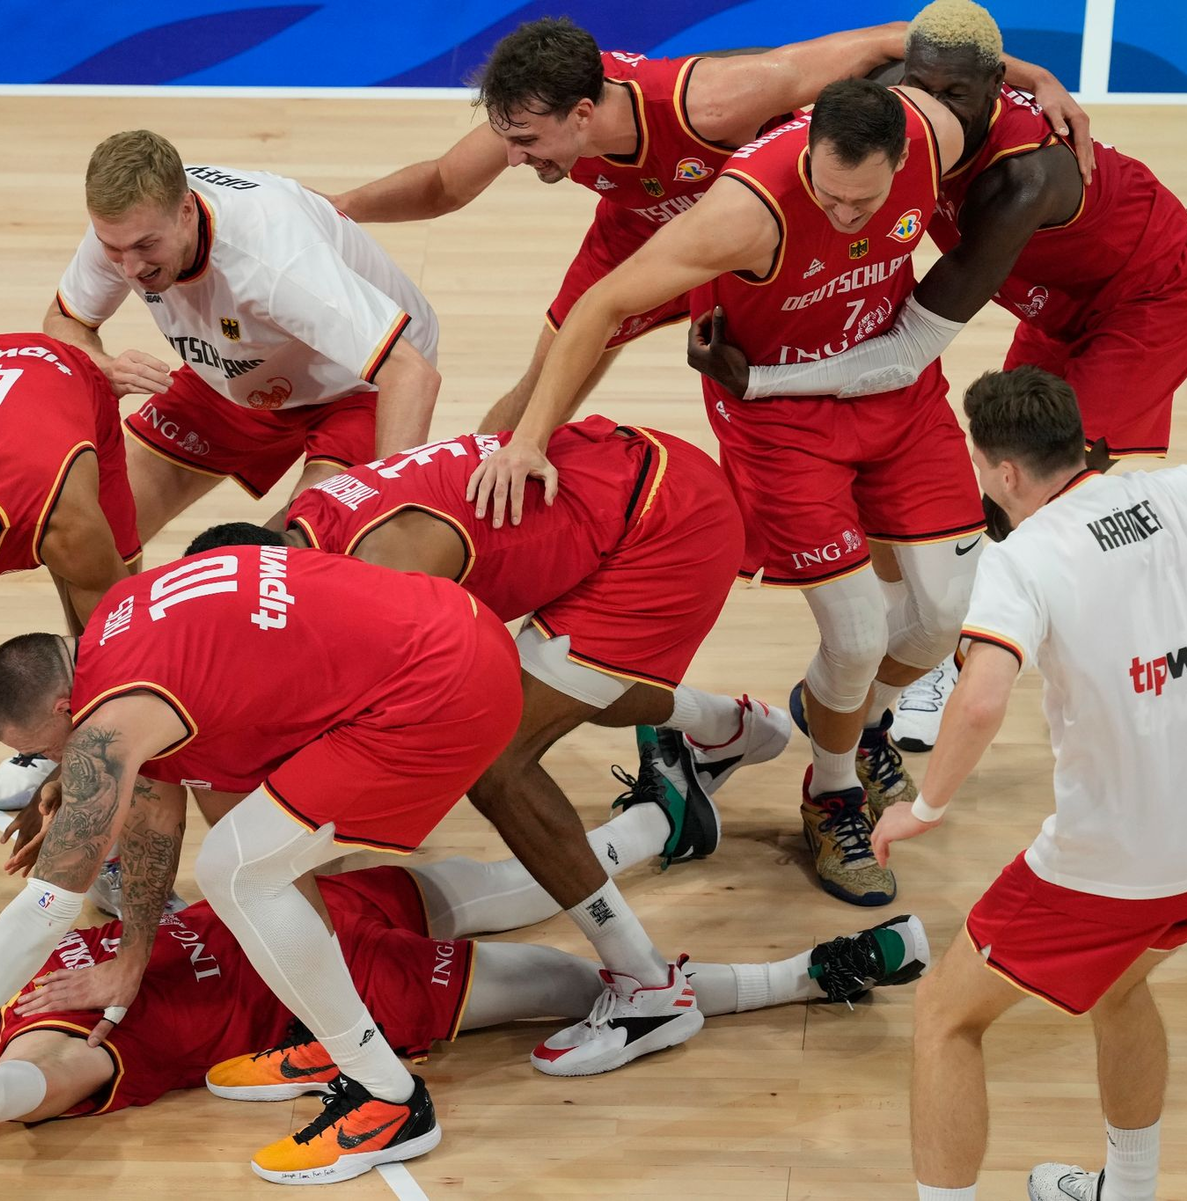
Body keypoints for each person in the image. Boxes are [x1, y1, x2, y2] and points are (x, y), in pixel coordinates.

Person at [467, 79, 984, 909]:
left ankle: (851, 720)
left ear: (904, 158)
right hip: (778, 417)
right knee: (853, 638)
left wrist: (1039, 84)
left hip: (897, 392)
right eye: (831, 195)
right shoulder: (747, 212)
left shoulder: (938, 136)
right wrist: (528, 436)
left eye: (867, 199)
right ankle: (833, 791)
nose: (848, 217)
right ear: (808, 155)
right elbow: (601, 305)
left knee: (941, 618)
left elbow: (952, 66)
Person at [187, 412, 792, 1076]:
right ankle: (727, 729)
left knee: (499, 761)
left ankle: (649, 987)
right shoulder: (291, 535)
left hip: (663, 526)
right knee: (570, 684)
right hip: (628, 477)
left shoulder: (383, 571)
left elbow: (442, 715)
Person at [691, 0, 1187, 753]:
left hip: (1147, 294)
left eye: (958, 94)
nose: (934, 106)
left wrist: (759, 379)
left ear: (992, 88)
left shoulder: (1022, 179)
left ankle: (957, 660)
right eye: (923, 85)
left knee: (1045, 483)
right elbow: (782, 72)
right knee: (988, 475)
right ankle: (919, 641)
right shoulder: (901, 102)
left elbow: (905, 351)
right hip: (1053, 294)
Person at [0, 544, 521, 1182]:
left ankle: (390, 1101)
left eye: (42, 750)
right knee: (251, 854)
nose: (51, 763)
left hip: (439, 690)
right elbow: (156, 819)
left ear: (62, 711)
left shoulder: (107, 728)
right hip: (453, 624)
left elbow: (50, 907)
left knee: (237, 871)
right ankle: (338, 1042)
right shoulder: (117, 620)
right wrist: (130, 963)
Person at [333, 16, 1084, 432]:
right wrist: (338, 208)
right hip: (638, 235)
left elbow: (898, 41)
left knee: (833, 400)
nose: (515, 154)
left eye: (527, 143)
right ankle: (470, 494)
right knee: (544, 383)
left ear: (583, 113)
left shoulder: (719, 100)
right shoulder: (529, 121)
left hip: (764, 237)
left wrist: (1035, 78)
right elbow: (439, 184)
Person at [871, 366, 1187, 1201]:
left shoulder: (1023, 559)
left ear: (1004, 473)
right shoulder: (1172, 495)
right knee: (1121, 983)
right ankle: (1128, 1190)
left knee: (946, 1014)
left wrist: (924, 806)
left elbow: (975, 702)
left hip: (1114, 859)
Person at [0, 855, 930, 1134]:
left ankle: (684, 791)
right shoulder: (29, 1047)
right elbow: (37, 1084)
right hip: (349, 988)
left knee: (551, 866)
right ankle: (813, 970)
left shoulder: (15, 950)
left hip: (312, 902)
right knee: (574, 981)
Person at [42, 129, 441, 549]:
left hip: (359, 381)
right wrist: (102, 364)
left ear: (185, 210)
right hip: (240, 367)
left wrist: (386, 511)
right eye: (113, 249)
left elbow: (411, 373)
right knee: (91, 537)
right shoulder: (126, 228)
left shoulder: (276, 263)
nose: (129, 268)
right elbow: (64, 320)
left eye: (145, 246)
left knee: (298, 558)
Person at [0, 332, 140, 813]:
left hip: (64, 376)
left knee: (111, 632)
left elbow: (129, 652)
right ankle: (41, 732)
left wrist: (78, 770)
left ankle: (61, 740)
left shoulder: (64, 523)